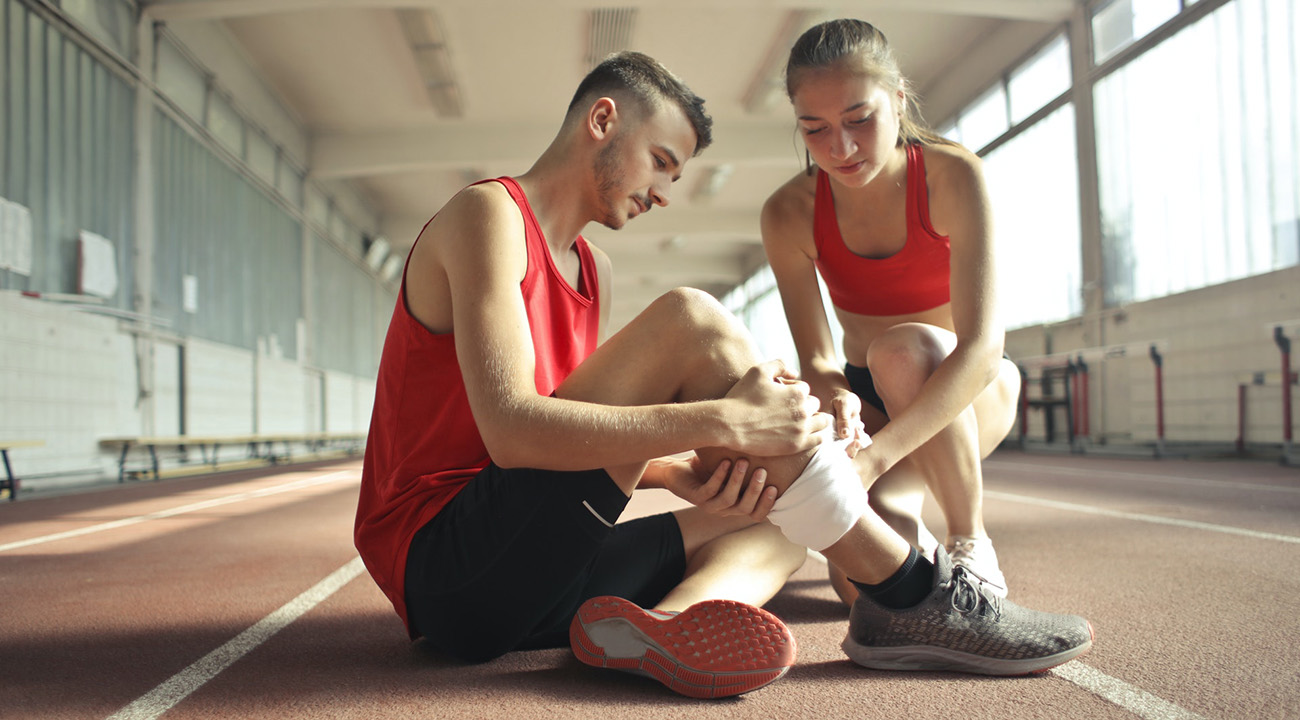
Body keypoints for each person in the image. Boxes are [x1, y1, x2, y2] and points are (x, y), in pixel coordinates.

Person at [354, 51, 1091, 702]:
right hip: (449, 570)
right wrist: (721, 424)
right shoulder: (488, 216)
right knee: (690, 319)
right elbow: (514, 435)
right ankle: (910, 591)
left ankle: (667, 627)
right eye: (662, 162)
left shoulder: (594, 270)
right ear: (603, 120)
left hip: (528, 584)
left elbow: (566, 447)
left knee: (777, 511)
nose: (665, 193)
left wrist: (680, 473)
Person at [761, 18, 1021, 602]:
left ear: (898, 100)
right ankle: (907, 511)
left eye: (859, 120)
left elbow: (982, 350)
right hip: (872, 401)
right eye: (815, 129)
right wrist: (838, 397)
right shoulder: (789, 213)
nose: (841, 148)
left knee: (902, 350)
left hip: (968, 389)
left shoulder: (954, 176)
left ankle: (969, 539)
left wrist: (874, 461)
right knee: (862, 589)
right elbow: (819, 357)